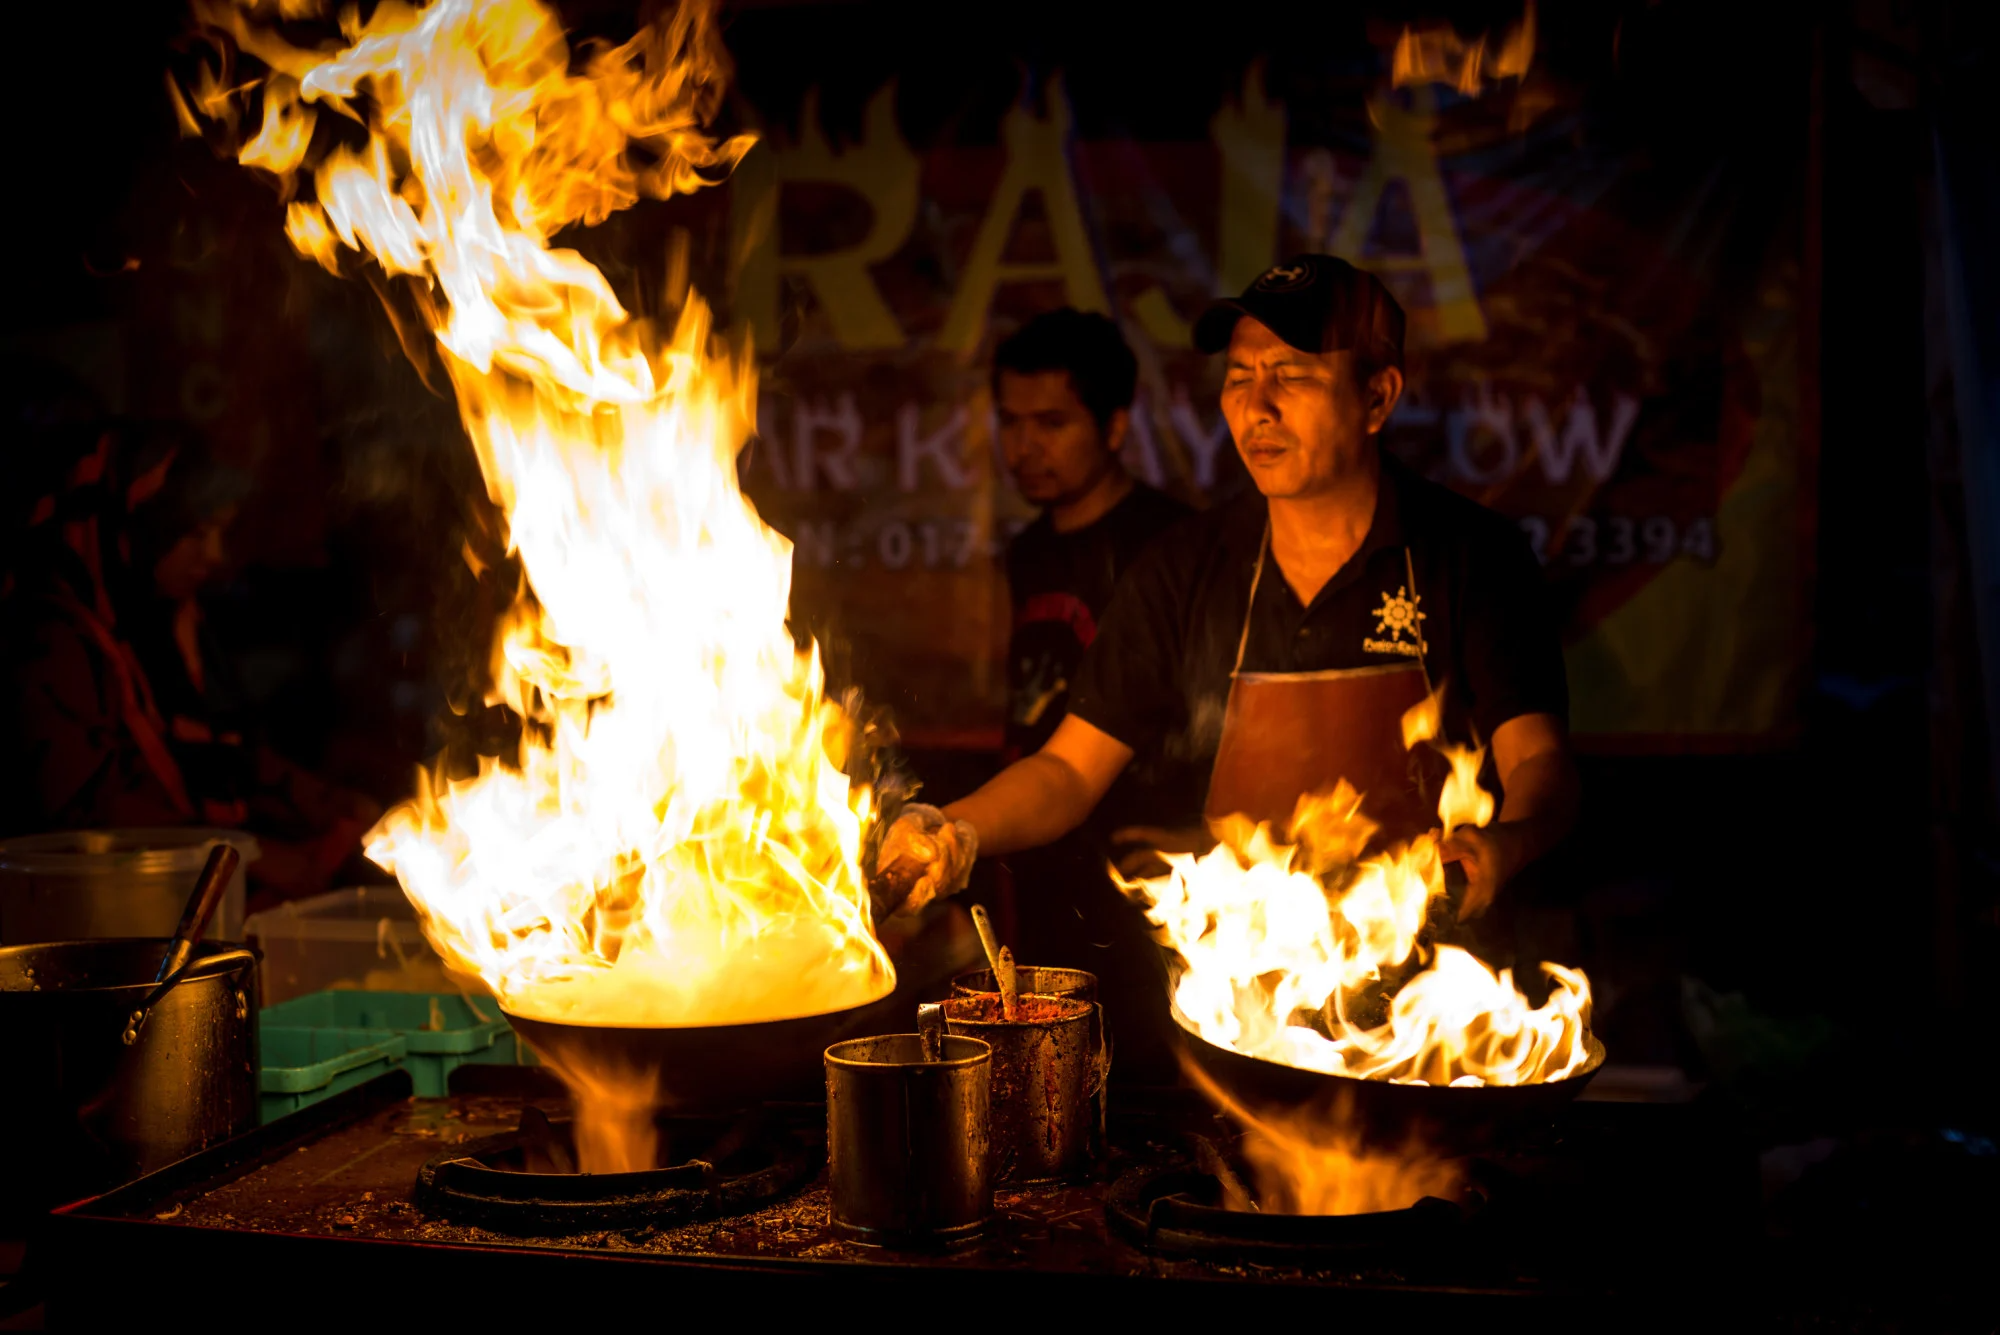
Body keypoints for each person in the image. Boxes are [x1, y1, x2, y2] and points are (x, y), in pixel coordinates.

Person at [877, 255, 1578, 949]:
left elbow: (1536, 760)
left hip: (1435, 993)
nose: (1258, 406)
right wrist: (952, 828)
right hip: (1245, 994)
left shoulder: (1472, 556)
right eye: (1240, 376)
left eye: (1293, 376)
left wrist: (1506, 844)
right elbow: (1067, 770)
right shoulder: (1183, 568)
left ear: (1378, 398)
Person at [2, 421, 381, 905]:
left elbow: (228, 752)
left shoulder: (168, 619)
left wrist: (326, 804)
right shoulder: (52, 639)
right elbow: (91, 816)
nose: (215, 556)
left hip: (192, 890)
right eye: (197, 535)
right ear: (141, 528)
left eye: (220, 533)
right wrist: (251, 856)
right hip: (101, 918)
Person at [981, 309, 1191, 1076]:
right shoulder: (1030, 550)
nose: (1024, 446)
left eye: (1051, 422)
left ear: (1114, 425)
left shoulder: (1173, 548)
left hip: (1149, 881)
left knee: (1150, 1088)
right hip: (1039, 865)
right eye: (1010, 421)